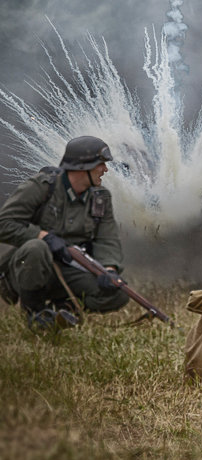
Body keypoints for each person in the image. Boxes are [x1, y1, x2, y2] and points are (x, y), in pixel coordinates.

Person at [0, 136, 128, 330]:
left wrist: (109, 270)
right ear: (83, 166)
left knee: (118, 293)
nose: (105, 170)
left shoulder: (100, 198)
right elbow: (4, 223)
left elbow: (107, 238)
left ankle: (65, 309)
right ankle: (35, 314)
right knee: (36, 248)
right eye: (100, 164)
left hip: (70, 268)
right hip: (30, 266)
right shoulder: (42, 187)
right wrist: (43, 236)